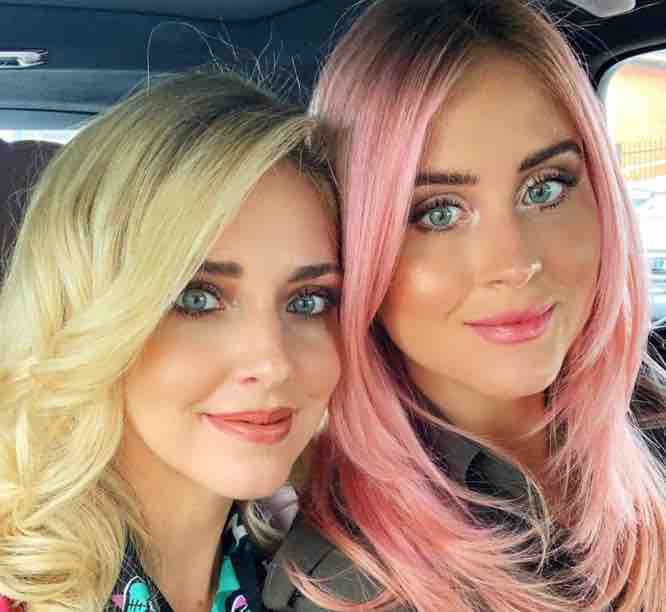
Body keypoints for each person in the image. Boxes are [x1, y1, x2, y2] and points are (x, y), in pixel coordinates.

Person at [261, 1, 666, 610]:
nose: (513, 263)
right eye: (438, 213)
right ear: (356, 241)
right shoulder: (351, 586)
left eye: (545, 188)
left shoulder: (647, 403)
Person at [0, 71, 342, 612]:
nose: (273, 362)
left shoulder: (329, 568)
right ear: (88, 309)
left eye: (308, 302)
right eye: (197, 298)